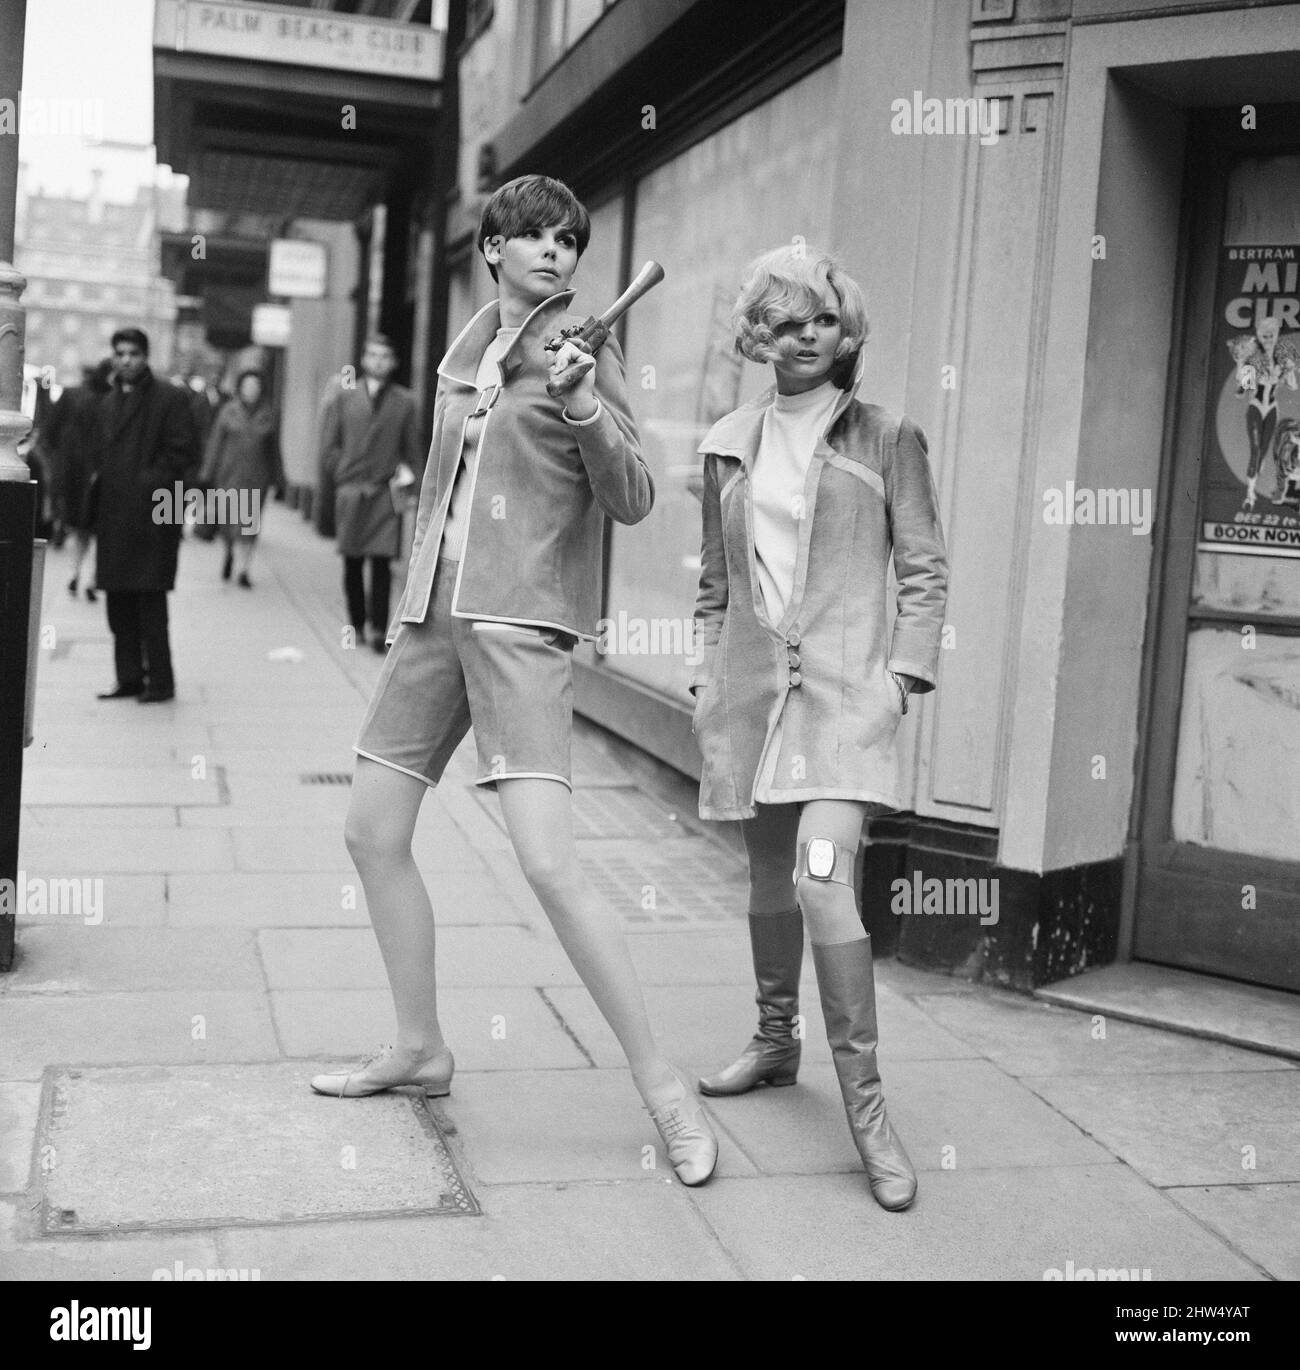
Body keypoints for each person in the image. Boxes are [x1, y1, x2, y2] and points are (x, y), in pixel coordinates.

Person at [311, 174, 718, 1187]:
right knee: (368, 829)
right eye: (532, 235)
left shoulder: (587, 345)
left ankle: (663, 1083)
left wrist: (582, 402)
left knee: (548, 864)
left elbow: (632, 496)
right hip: (430, 621)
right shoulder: (467, 356)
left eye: (569, 239)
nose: (554, 251)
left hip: (518, 624)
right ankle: (419, 1044)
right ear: (489, 247)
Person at [689, 245, 948, 1210]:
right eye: (782, 323)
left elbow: (924, 568)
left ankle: (869, 1111)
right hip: (753, 698)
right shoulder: (726, 438)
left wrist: (902, 678)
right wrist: (707, 670)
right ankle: (772, 1039)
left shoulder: (888, 437)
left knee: (821, 882)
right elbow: (714, 582)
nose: (801, 339)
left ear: (847, 335)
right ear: (758, 335)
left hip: (846, 705)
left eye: (820, 323)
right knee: (765, 878)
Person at [92, 327, 199, 704]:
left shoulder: (169, 398)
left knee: (151, 603)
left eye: (133, 353)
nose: (126, 360)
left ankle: (161, 682)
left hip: (153, 518)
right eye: (120, 353)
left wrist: (146, 487)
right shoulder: (106, 404)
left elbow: (182, 455)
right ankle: (129, 678)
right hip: (114, 519)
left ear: (145, 356)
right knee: (118, 603)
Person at [315, 335, 424, 652]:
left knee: (381, 562)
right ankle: (356, 624)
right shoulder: (344, 397)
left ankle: (379, 630)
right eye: (373, 355)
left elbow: (413, 452)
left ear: (393, 363)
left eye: (385, 356)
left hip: (384, 493)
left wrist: (412, 486)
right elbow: (329, 444)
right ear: (363, 360)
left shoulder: (405, 402)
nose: (378, 361)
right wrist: (340, 472)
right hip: (351, 490)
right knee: (351, 561)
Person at [198, 368, 282, 587]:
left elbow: (274, 450)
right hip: (229, 475)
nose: (252, 390)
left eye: (256, 386)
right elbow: (215, 443)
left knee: (249, 525)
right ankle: (229, 552)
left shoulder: (268, 414)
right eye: (248, 386)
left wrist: (278, 478)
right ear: (241, 388)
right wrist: (207, 473)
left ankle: (244, 569)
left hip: (257, 477)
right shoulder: (228, 411)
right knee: (228, 523)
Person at [47, 358, 114, 600]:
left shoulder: (77, 397)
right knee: (98, 530)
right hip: (102, 475)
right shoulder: (113, 403)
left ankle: (77, 572)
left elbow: (53, 432)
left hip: (79, 473)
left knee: (83, 528)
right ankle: (91, 577)